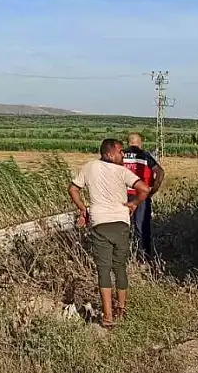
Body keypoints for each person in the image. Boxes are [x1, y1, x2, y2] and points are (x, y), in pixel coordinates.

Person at [68, 138, 152, 328]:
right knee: (120, 268)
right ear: (109, 153)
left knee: (103, 270)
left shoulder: (89, 167)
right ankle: (121, 309)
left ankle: (107, 317)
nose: (123, 155)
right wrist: (134, 204)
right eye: (120, 151)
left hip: (99, 224)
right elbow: (144, 189)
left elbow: (73, 189)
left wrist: (83, 209)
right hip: (121, 223)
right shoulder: (122, 172)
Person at [123, 132, 165, 261]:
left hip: (123, 196)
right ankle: (144, 258)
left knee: (122, 227)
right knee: (142, 228)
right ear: (140, 143)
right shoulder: (145, 156)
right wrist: (153, 190)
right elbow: (160, 172)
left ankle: (123, 256)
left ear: (129, 142)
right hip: (142, 196)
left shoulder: (120, 155)